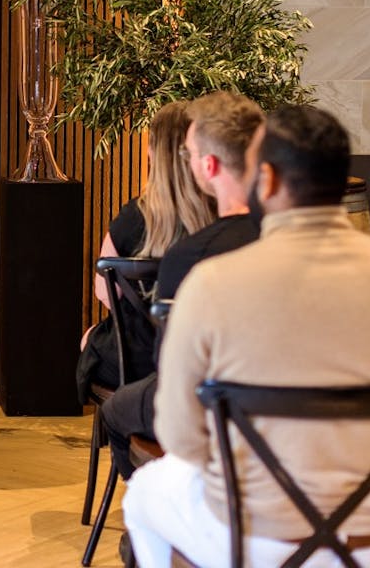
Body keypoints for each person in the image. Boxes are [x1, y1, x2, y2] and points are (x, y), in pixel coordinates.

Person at [123, 105, 370, 567]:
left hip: (249, 539)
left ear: (270, 180)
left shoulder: (212, 283)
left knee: (144, 492)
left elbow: (180, 436)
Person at [101, 91, 263, 482]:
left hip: (185, 385)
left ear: (208, 164)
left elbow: (105, 292)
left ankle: (153, 498)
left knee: (115, 405)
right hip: (271, 406)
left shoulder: (180, 249)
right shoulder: (265, 239)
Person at [77, 101, 214, 400]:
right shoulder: (219, 217)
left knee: (90, 340)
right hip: (203, 360)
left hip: (137, 362)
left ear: (152, 152)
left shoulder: (131, 218)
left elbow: (105, 293)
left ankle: (123, 432)